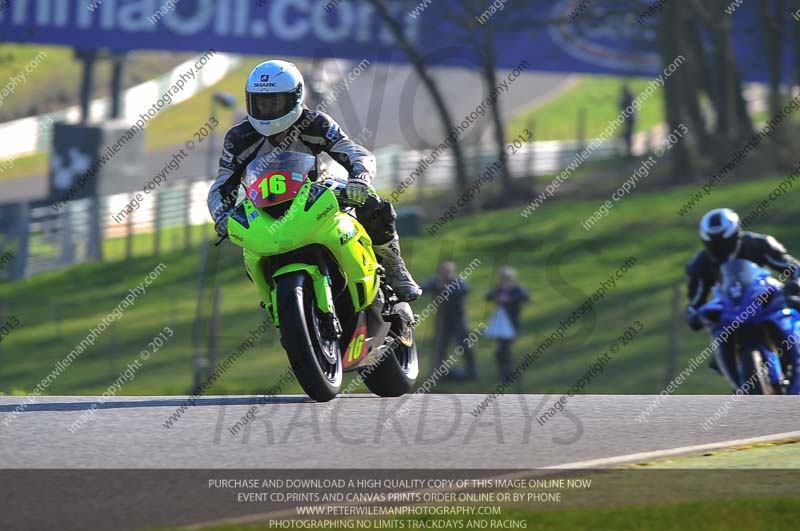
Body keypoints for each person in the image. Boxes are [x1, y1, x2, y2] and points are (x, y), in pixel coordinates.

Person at [207, 59, 421, 301]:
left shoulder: (316, 123)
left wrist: (359, 179)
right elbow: (222, 185)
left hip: (318, 190)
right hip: (264, 202)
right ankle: (275, 298)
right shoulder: (239, 137)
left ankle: (394, 267)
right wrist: (221, 215)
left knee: (375, 206)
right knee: (250, 248)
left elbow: (353, 152)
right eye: (260, 102)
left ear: (295, 98)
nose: (266, 109)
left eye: (274, 101)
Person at [685, 208, 800, 332]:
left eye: (723, 242)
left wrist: (795, 284)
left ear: (735, 235)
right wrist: (694, 316)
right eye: (713, 244)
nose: (719, 249)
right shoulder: (699, 264)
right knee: (718, 332)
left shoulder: (759, 243)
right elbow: (695, 304)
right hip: (730, 313)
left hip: (768, 298)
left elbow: (793, 267)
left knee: (794, 302)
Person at [421, 262, 478, 380]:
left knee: (464, 345)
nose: (445, 274)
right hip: (443, 320)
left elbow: (465, 289)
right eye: (443, 271)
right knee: (440, 347)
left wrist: (445, 287)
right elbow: (422, 289)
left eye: (447, 271)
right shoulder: (436, 281)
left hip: (458, 319)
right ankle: (440, 373)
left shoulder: (458, 281)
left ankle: (472, 372)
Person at [486, 266, 530, 381]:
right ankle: (504, 373)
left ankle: (508, 374)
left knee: (504, 349)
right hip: (500, 324)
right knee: (501, 351)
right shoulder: (499, 289)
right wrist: (497, 296)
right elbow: (488, 296)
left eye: (507, 277)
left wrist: (509, 299)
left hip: (512, 323)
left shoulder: (517, 288)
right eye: (503, 277)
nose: (504, 279)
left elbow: (525, 297)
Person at [619, 84, 635, 158]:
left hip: (629, 119)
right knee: (628, 135)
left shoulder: (627, 97)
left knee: (627, 135)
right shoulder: (630, 96)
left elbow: (621, 105)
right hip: (630, 118)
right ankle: (629, 151)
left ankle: (629, 152)